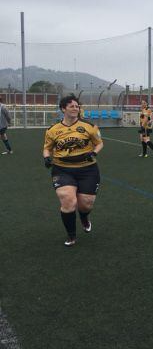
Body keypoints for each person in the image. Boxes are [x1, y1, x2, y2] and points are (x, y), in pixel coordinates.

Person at [43, 95, 104, 246]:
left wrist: (94, 153)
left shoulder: (90, 127)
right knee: (68, 201)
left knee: (86, 204)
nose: (75, 108)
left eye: (77, 106)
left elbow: (99, 143)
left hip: (88, 170)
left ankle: (84, 217)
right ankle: (71, 236)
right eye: (71, 106)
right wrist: (46, 158)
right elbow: (46, 148)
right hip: (62, 169)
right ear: (63, 109)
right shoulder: (52, 130)